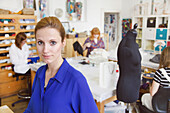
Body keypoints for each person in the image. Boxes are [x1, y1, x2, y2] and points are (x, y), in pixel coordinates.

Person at [24, 17, 99, 113]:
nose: (45, 50)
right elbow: (31, 109)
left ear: (63, 42)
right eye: (40, 42)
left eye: (52, 43)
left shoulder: (76, 81)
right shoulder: (39, 73)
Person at [141, 46, 170, 111]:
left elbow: (153, 93)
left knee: (144, 97)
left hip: (160, 106)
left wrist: (151, 87)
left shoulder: (160, 72)